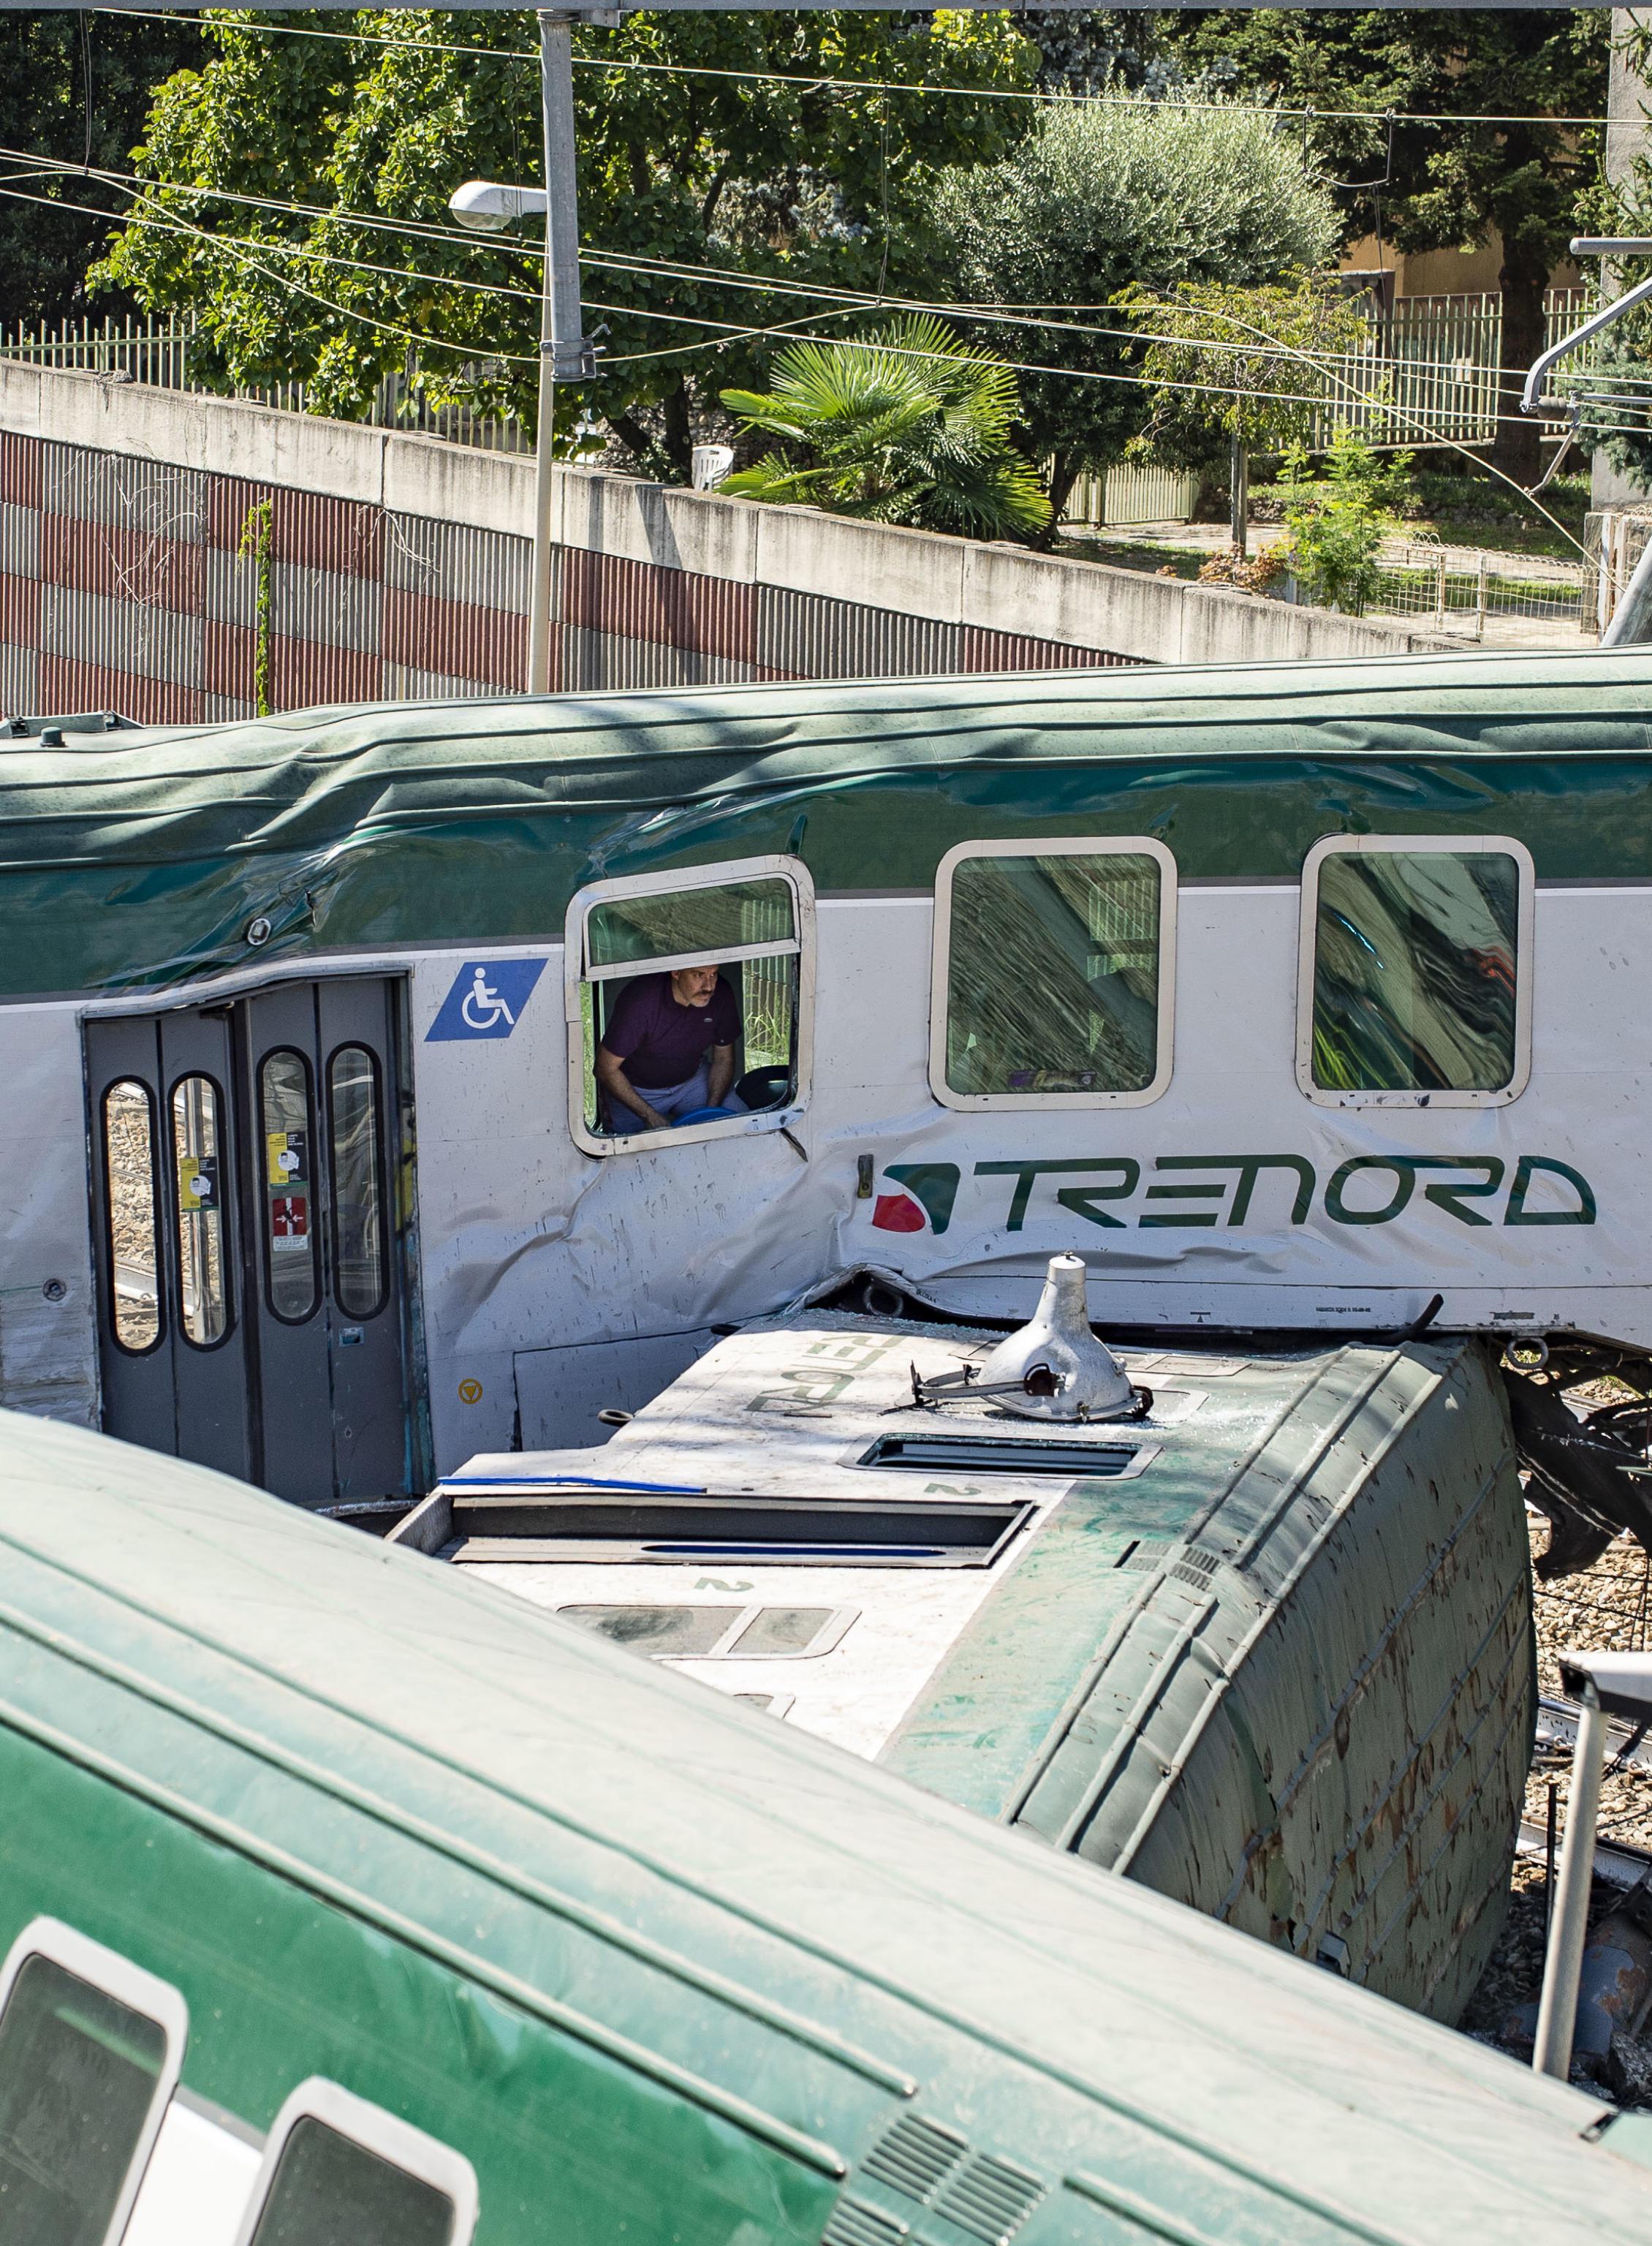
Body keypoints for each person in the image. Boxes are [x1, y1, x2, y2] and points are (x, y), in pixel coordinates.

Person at [595, 964, 746, 1134]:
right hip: (635, 1088)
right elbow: (604, 1069)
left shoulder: (721, 992)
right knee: (626, 1153)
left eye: (714, 974)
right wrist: (649, 1116)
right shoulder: (641, 1001)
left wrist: (710, 1113)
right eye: (698, 975)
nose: (709, 986)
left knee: (744, 1125)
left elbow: (723, 1059)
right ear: (676, 972)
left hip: (691, 1080)